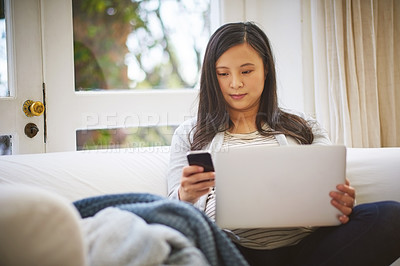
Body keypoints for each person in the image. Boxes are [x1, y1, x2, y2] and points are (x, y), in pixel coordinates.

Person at [167, 21, 400, 266]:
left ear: (266, 69)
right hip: (231, 252)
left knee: (390, 217)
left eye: (246, 71)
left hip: (307, 250)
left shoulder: (305, 127)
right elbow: (168, 216)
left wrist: (340, 202)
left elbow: (329, 190)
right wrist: (185, 195)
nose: (235, 83)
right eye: (223, 74)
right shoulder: (189, 134)